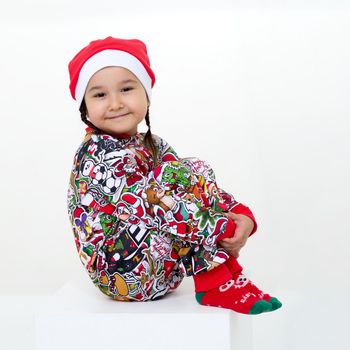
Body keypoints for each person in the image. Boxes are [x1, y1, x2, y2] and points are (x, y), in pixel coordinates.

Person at [66, 36, 282, 315]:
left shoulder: (153, 143)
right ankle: (215, 281)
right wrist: (221, 228)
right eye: (99, 95)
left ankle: (227, 275)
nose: (116, 103)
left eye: (127, 89)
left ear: (146, 94)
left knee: (191, 169)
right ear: (84, 107)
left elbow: (192, 186)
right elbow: (153, 207)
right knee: (171, 188)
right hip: (122, 275)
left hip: (163, 268)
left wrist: (238, 214)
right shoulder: (96, 155)